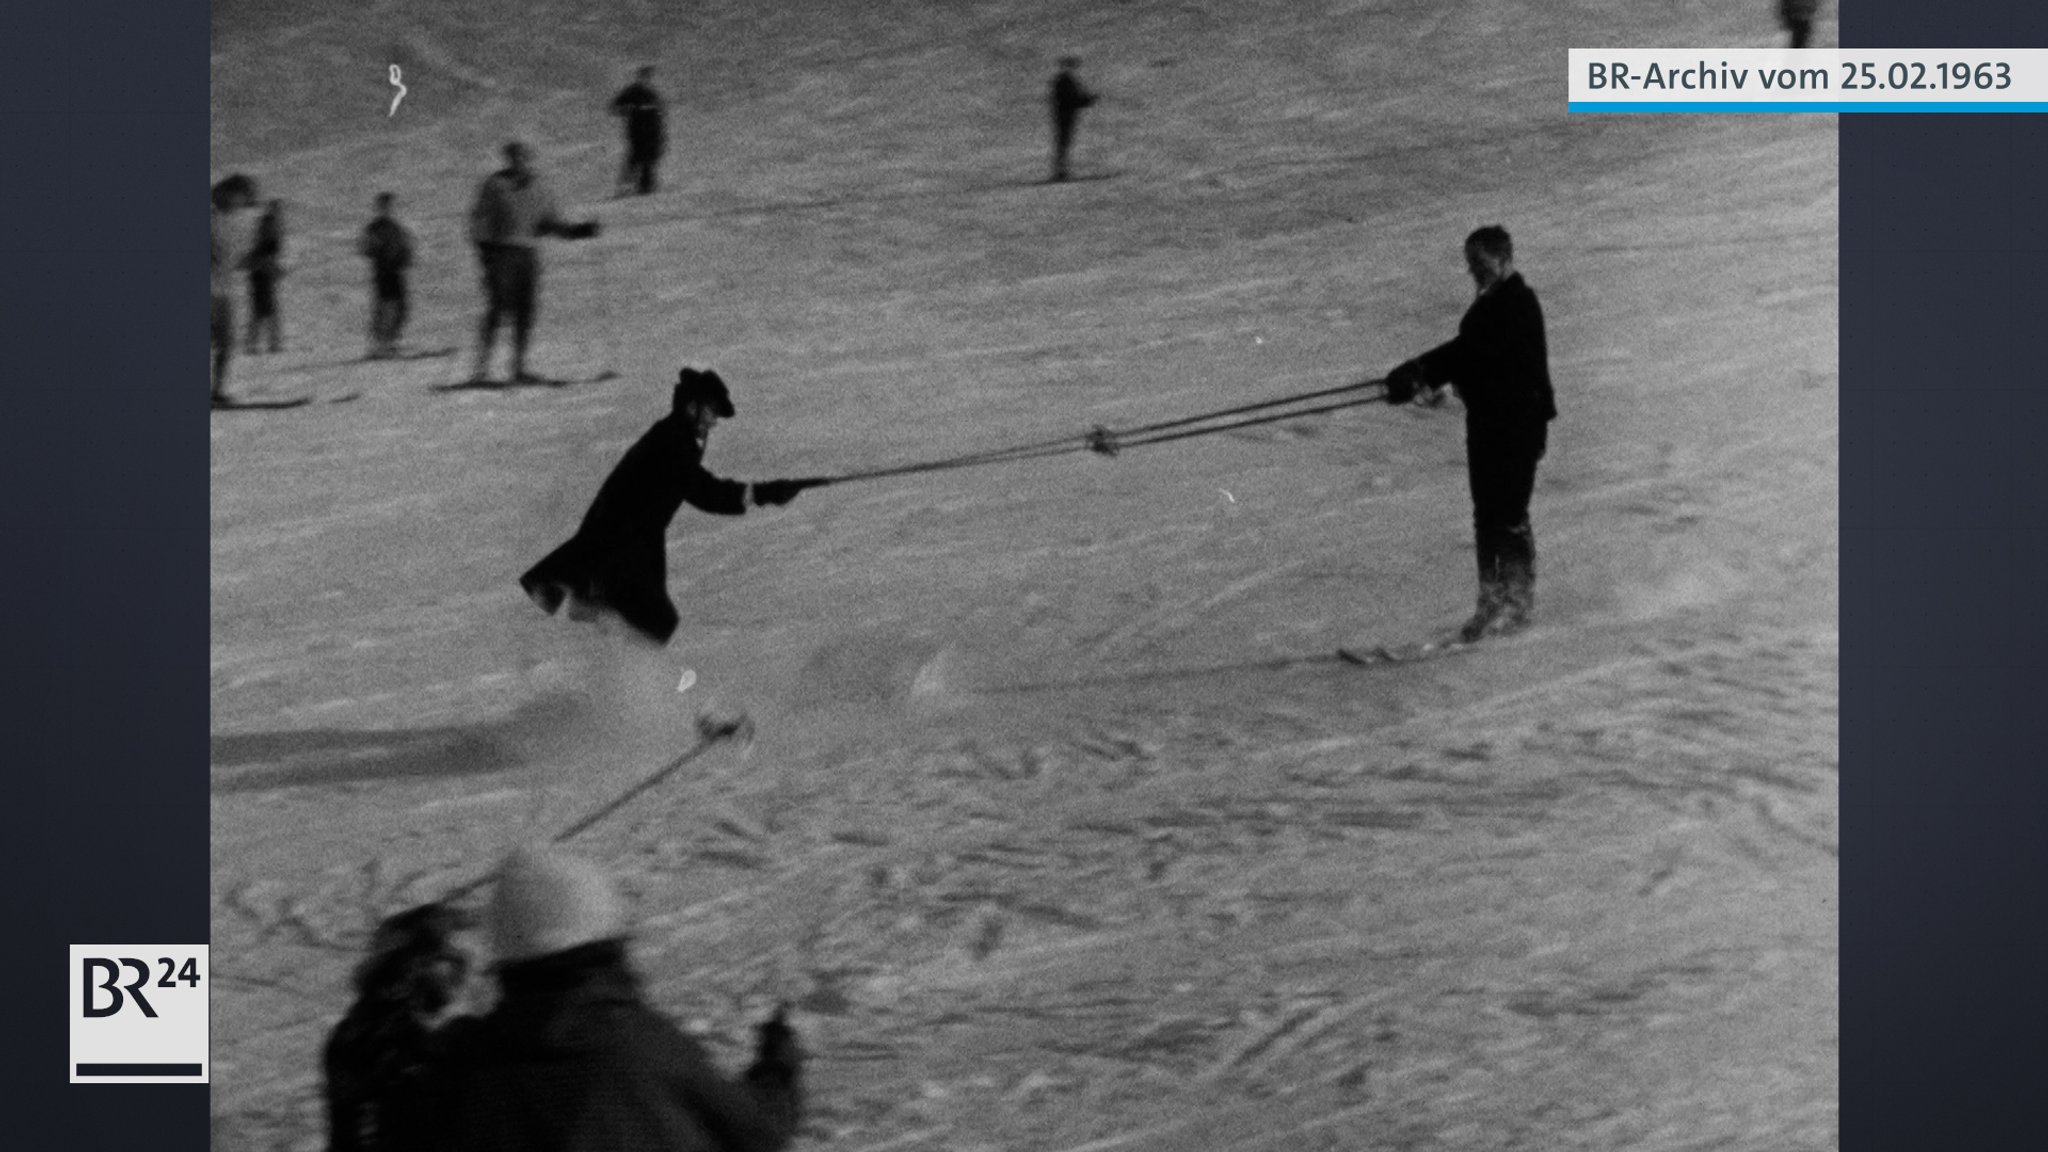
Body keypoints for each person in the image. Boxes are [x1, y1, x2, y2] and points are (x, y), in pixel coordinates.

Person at [400, 846, 805, 1152]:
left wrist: (389, 1000)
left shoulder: (463, 1064)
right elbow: (756, 1131)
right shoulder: (647, 1045)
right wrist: (777, 1068)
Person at [521, 368, 832, 646]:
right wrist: (764, 493)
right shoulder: (672, 442)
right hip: (621, 542)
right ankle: (636, 689)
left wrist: (765, 492)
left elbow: (695, 487)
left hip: (634, 541)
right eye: (711, 411)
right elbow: (703, 490)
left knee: (650, 622)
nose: (714, 421)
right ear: (692, 407)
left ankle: (633, 685)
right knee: (651, 621)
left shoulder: (674, 437)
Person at [1383, 225, 1558, 643]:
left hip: (1518, 427)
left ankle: (1514, 605)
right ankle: (1492, 603)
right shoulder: (1489, 305)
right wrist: (1422, 374)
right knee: (1487, 517)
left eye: (1481, 264)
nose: (1474, 272)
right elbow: (1470, 354)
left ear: (1505, 259)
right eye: (1471, 266)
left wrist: (1423, 370)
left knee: (1507, 516)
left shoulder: (1518, 304)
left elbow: (1474, 353)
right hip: (1487, 424)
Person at [324, 903, 477, 1152]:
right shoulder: (407, 1038)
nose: (454, 984)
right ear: (415, 968)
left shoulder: (353, 1032)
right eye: (444, 967)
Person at [467, 141, 603, 384]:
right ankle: (481, 369)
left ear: (528, 159)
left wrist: (579, 231)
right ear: (507, 159)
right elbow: (479, 218)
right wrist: (485, 253)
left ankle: (518, 368)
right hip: (501, 253)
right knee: (498, 309)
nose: (518, 162)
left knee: (524, 311)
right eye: (513, 158)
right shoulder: (495, 184)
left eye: (522, 158)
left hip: (528, 255)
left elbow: (549, 222)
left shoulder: (540, 187)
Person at [210, 174, 261, 404]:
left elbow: (232, 259)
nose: (241, 204)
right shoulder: (211, 215)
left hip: (224, 291)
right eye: (241, 198)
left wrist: (253, 262)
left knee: (227, 342)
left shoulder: (232, 221)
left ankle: (217, 391)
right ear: (230, 194)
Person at [359, 192, 415, 359]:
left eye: (390, 206)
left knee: (400, 308)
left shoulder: (396, 227)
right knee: (385, 308)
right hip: (383, 272)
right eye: (384, 206)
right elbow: (365, 248)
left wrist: (406, 257)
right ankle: (379, 345)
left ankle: (389, 342)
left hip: (396, 272)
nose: (388, 209)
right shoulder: (374, 228)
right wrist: (376, 248)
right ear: (379, 208)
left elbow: (405, 248)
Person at [610, 65, 668, 197]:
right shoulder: (632, 92)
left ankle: (646, 186)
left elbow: (659, 114)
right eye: (644, 77)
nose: (646, 80)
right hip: (637, 132)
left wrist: (659, 132)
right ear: (640, 77)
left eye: (648, 77)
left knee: (649, 159)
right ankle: (626, 186)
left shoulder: (652, 94)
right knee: (635, 158)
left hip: (651, 133)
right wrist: (630, 110)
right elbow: (615, 106)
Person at [246, 198, 287, 353]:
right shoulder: (269, 230)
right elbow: (264, 258)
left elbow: (267, 258)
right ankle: (265, 344)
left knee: (263, 312)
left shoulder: (270, 229)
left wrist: (274, 269)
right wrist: (274, 270)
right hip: (260, 278)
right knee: (264, 311)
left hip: (262, 276)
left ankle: (262, 343)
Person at [1048, 56, 1097, 183]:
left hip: (1063, 115)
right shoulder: (1066, 81)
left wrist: (1086, 100)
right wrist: (1088, 100)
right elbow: (1071, 99)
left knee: (1063, 143)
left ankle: (1060, 171)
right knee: (1063, 143)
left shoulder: (1062, 80)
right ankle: (1060, 172)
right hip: (1065, 116)